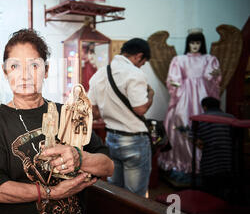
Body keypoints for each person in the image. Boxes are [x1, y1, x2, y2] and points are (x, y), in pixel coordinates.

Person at [0, 29, 114, 214]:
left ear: (46, 69)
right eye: (15, 66)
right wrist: (52, 192)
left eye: (34, 65)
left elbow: (108, 166)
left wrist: (80, 158)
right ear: (5, 71)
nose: (25, 75)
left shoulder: (67, 113)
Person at [88, 38, 154, 197]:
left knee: (115, 191)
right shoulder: (135, 73)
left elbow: (93, 112)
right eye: (142, 62)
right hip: (134, 140)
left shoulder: (100, 73)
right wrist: (151, 94)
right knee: (136, 196)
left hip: (111, 138)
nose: (140, 65)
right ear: (138, 56)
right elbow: (140, 109)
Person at [158, 29, 221, 185]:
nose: (195, 46)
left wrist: (215, 74)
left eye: (198, 42)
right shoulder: (179, 60)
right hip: (184, 98)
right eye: (192, 42)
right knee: (181, 126)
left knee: (205, 128)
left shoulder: (209, 59)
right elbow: (174, 80)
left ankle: (202, 165)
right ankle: (182, 163)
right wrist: (175, 84)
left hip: (203, 99)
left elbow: (214, 79)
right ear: (188, 43)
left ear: (202, 43)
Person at [192, 97, 234, 201]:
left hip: (211, 160)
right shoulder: (231, 117)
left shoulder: (201, 118)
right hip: (229, 160)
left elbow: (196, 139)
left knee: (209, 189)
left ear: (205, 107)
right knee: (225, 188)